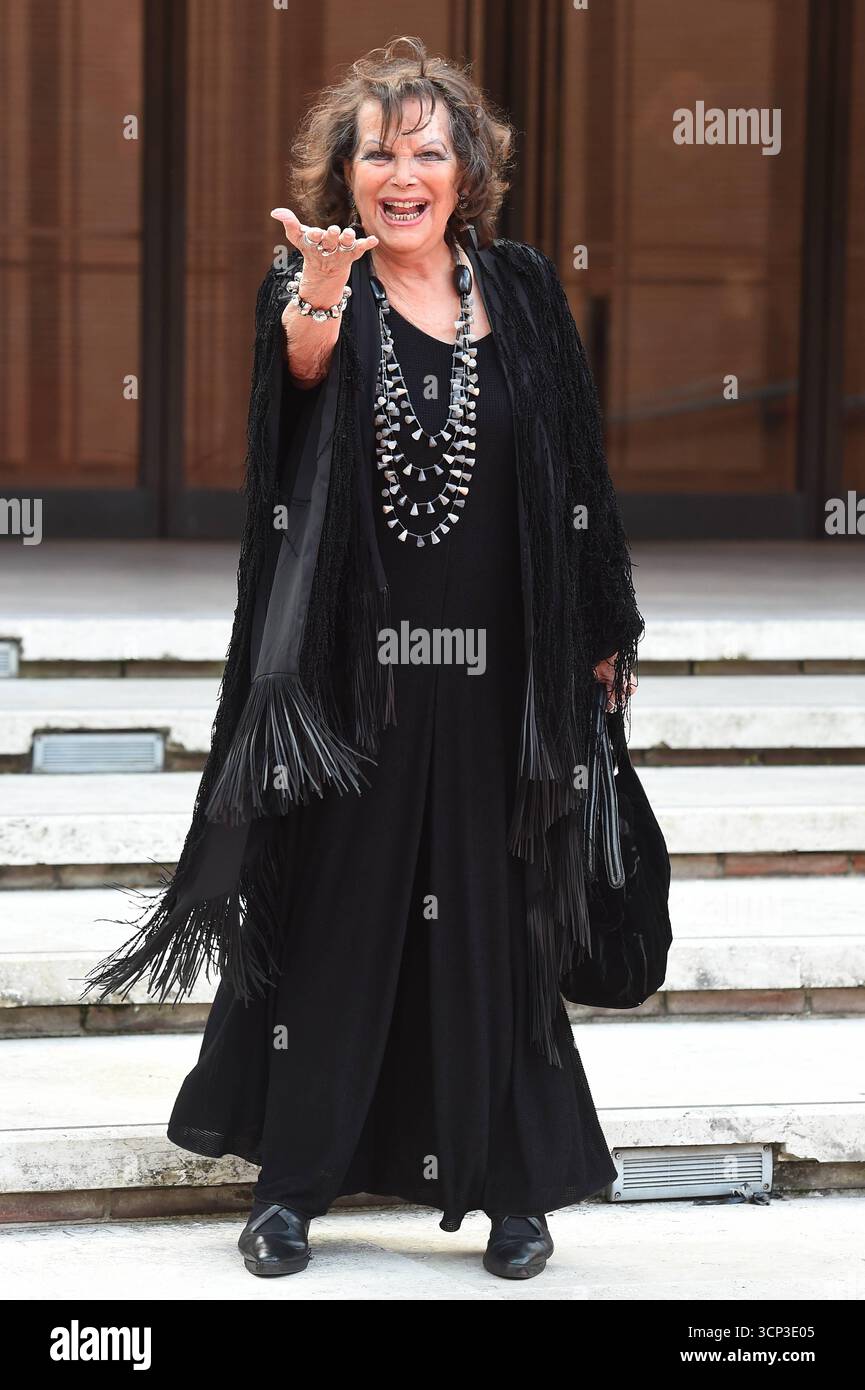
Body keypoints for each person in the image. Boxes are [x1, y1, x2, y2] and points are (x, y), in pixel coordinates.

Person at [84, 36, 643, 1282]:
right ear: (345, 172)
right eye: (378, 151)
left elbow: (578, 473)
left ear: (466, 173)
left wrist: (602, 627)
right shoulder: (315, 281)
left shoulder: (525, 291)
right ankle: (294, 1189)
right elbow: (291, 408)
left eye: (427, 152)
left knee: (493, 924)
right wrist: (320, 305)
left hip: (504, 676)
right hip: (358, 678)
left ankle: (513, 1190)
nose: (403, 173)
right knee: (337, 918)